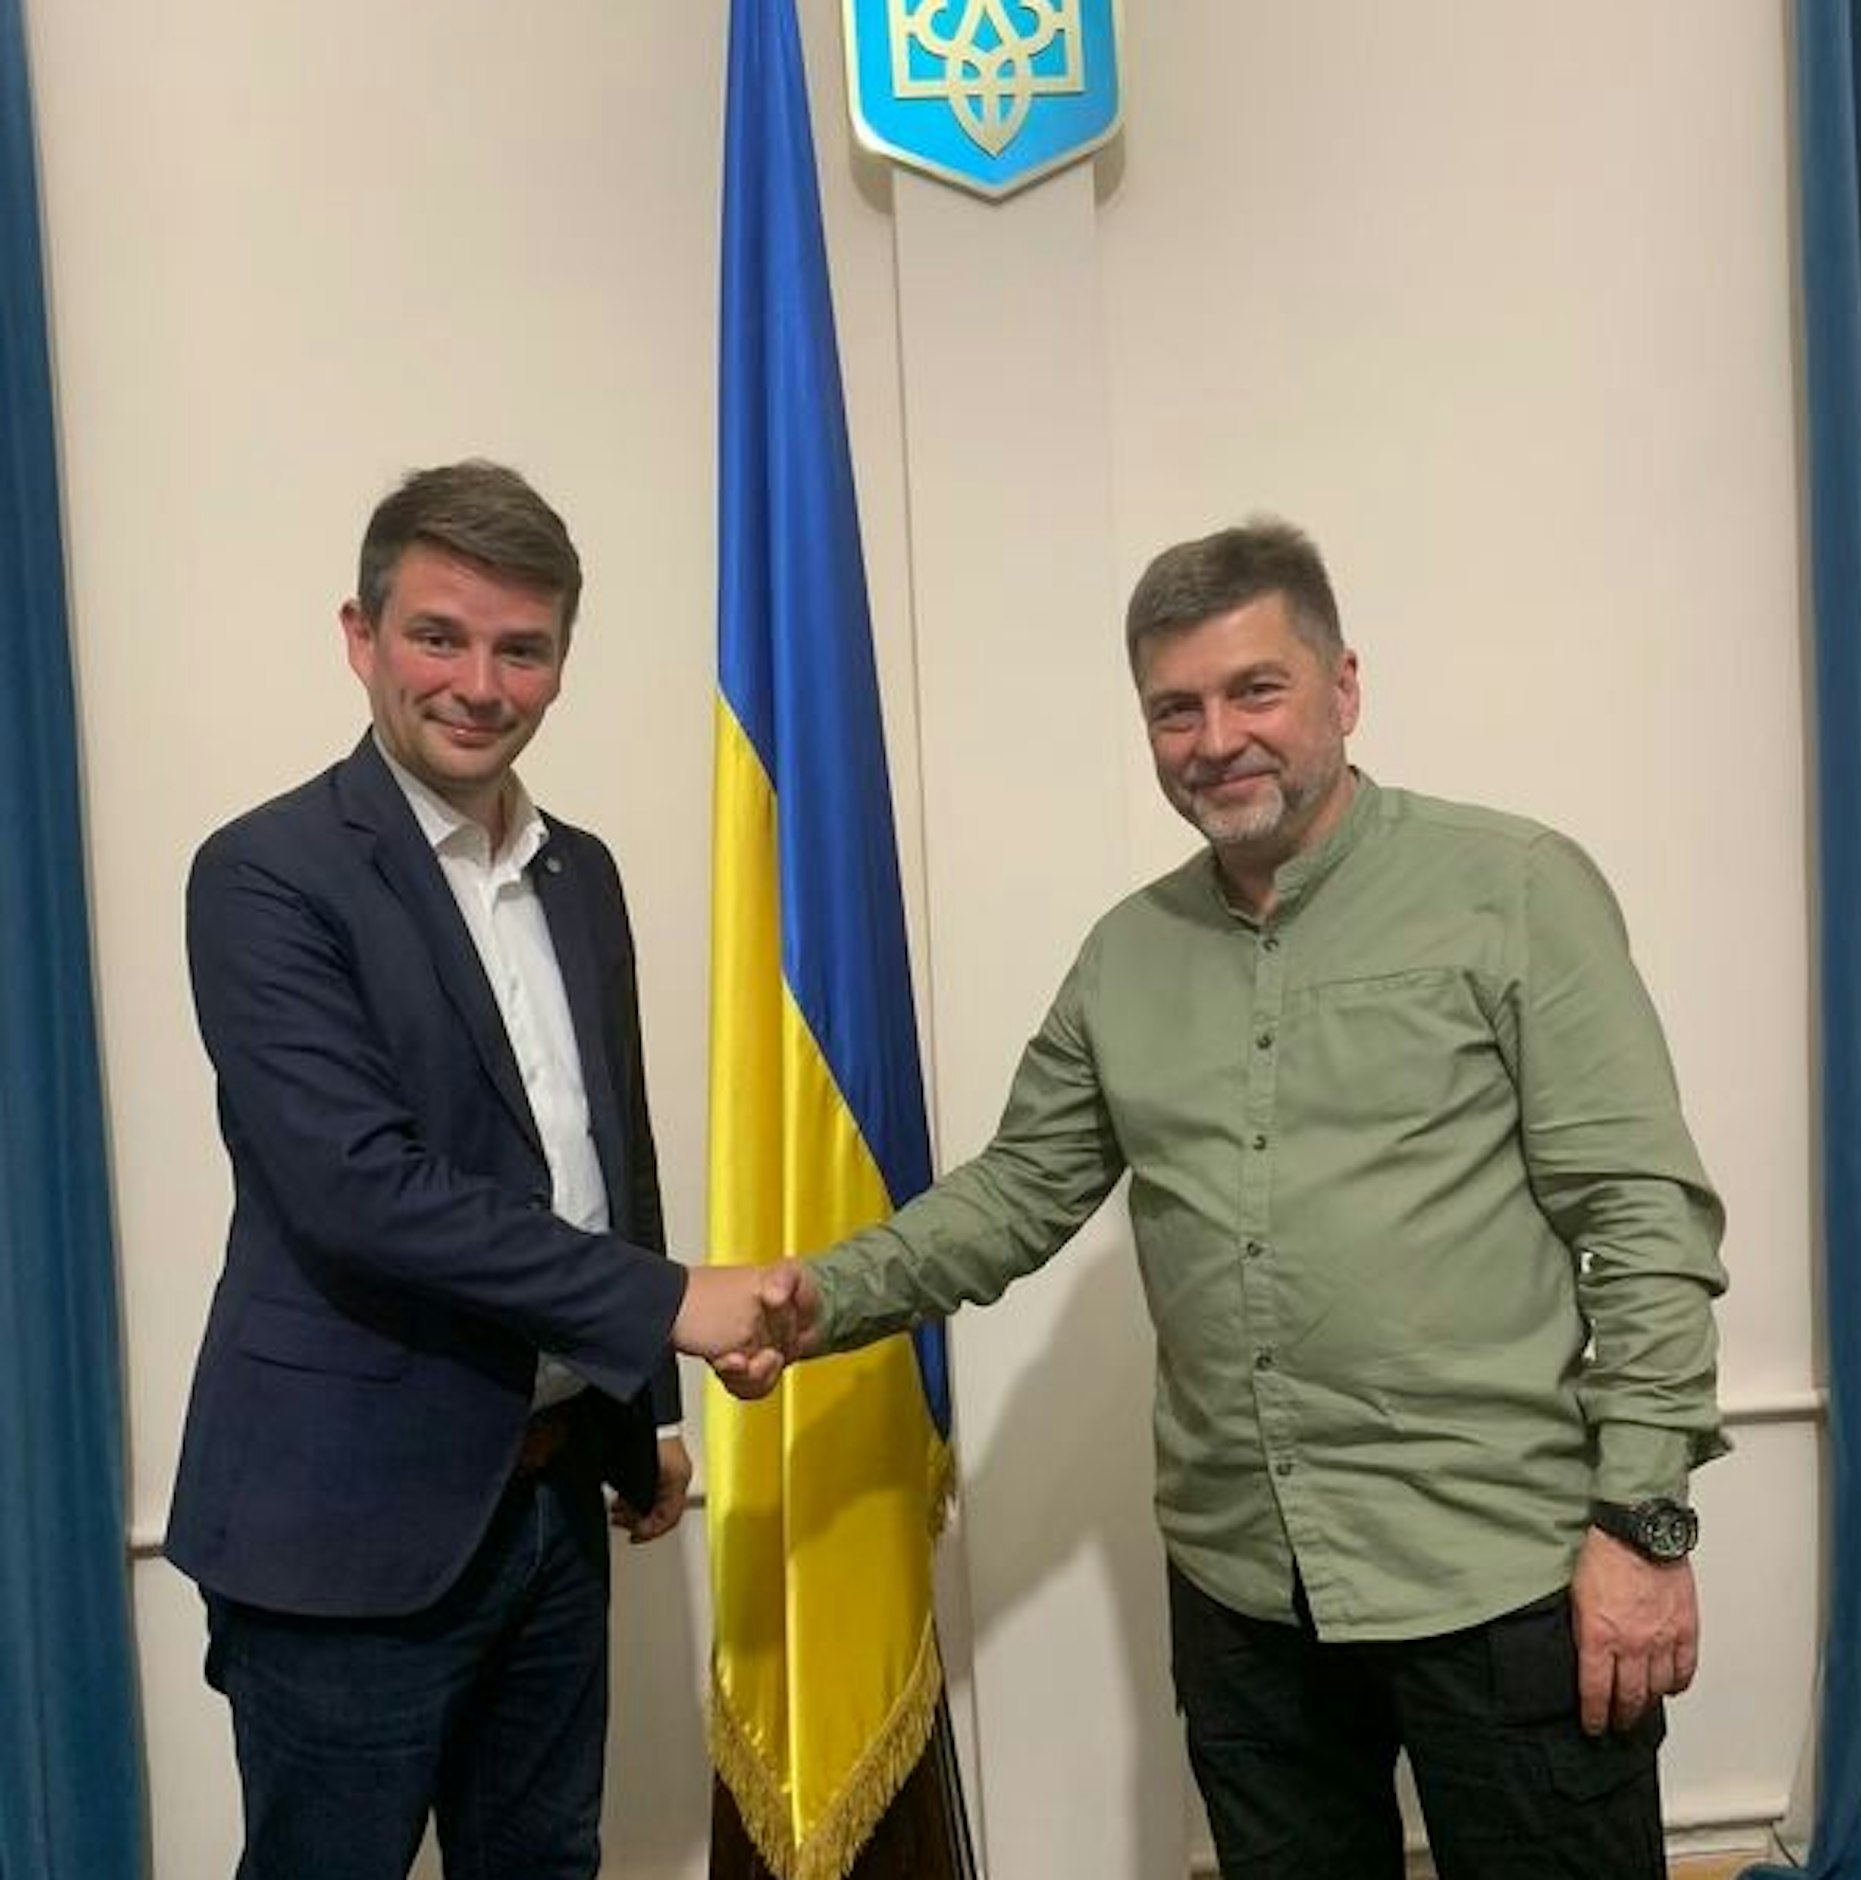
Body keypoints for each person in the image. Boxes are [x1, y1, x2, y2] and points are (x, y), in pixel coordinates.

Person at [755, 519, 1727, 1880]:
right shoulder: (1126, 956)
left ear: (1344, 685)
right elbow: (1017, 1193)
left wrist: (1642, 1526)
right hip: (1244, 1595)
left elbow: (1643, 1216)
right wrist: (816, 1297)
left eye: (1254, 690)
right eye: (1176, 709)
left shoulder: (1512, 888)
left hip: (1504, 1574)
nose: (1216, 740)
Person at [166, 460, 786, 1880]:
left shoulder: (585, 873)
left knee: (546, 1861)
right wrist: (668, 1301)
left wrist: (645, 1406)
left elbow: (607, 1154)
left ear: (562, 661)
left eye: (523, 648)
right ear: (361, 635)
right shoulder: (265, 874)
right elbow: (359, 1188)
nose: (480, 685)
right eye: (439, 637)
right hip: (345, 1522)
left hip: (557, 1500)